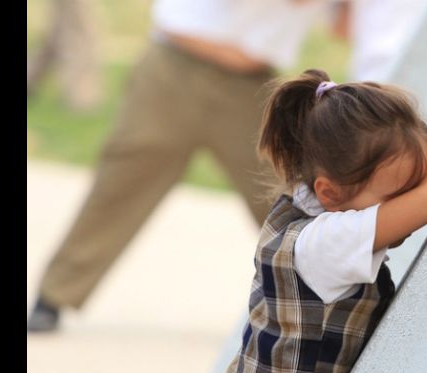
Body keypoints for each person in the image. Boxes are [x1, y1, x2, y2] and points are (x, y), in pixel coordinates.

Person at [117, 68, 427, 373]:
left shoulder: (312, 207)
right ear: (329, 192)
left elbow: (413, 197)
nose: (410, 200)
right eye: (400, 192)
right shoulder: (326, 244)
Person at [27, 0, 331, 332]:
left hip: (253, 81)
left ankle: (326, 298)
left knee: (291, 191)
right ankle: (54, 294)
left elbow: (343, 23)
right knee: (121, 184)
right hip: (176, 65)